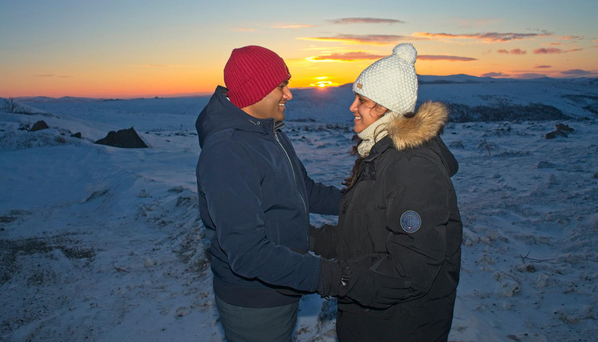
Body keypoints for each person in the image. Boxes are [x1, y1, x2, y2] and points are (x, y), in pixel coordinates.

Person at [195, 45, 414, 342]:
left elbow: (305, 191)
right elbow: (247, 254)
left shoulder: (269, 132)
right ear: (255, 92)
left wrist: (364, 204)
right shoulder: (228, 152)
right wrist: (333, 277)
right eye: (281, 86)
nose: (289, 95)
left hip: (283, 278)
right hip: (256, 298)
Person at [311, 43, 463, 342]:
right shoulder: (380, 154)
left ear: (384, 107)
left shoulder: (412, 166)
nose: (353, 107)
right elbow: (365, 236)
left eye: (361, 99)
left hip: (399, 328)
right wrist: (311, 238)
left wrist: (332, 277)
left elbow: (410, 269)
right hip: (371, 321)